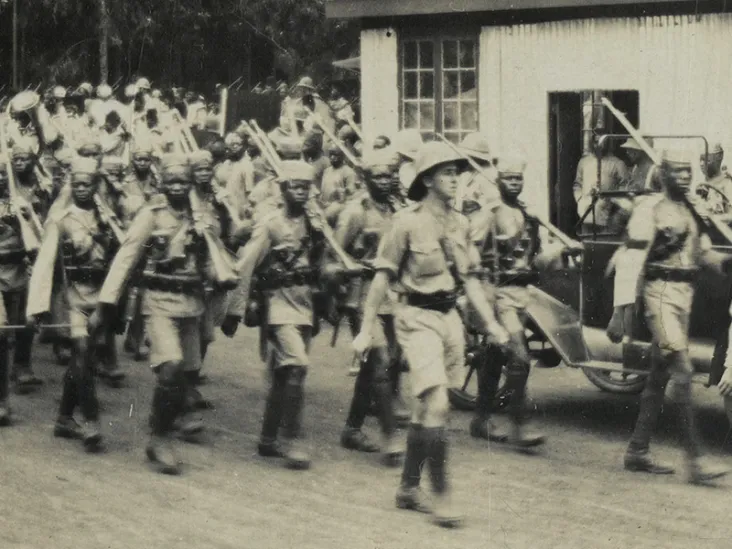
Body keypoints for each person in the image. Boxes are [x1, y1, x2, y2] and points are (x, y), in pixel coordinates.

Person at [352, 141, 509, 528]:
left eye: (457, 173)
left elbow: (470, 281)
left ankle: (408, 488)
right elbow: (381, 278)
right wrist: (364, 328)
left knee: (427, 409)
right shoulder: (406, 222)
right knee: (437, 403)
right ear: (427, 179)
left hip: (449, 321)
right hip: (415, 318)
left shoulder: (460, 224)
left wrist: (491, 325)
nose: (455, 180)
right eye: (447, 173)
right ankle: (442, 495)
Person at [89, 154, 212, 474]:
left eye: (183, 182)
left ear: (191, 184)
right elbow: (126, 257)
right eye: (171, 181)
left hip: (191, 303)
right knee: (170, 365)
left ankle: (169, 422)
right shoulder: (151, 215)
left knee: (187, 372)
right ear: (161, 183)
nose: (177, 187)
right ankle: (159, 438)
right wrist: (106, 304)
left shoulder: (201, 214)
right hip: (158, 301)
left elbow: (214, 258)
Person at [619, 149, 730, 484]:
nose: (684, 177)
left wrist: (728, 264)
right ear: (663, 172)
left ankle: (637, 450)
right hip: (659, 295)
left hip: (684, 297)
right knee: (682, 372)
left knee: (657, 376)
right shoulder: (649, 210)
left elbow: (706, 253)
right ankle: (696, 461)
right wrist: (620, 314)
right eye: (677, 171)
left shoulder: (693, 210)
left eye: (688, 171)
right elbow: (630, 263)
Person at [467, 156, 580, 448]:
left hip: (522, 294)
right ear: (499, 181)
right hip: (498, 294)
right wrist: (482, 294)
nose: (514, 184)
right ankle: (519, 426)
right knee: (519, 358)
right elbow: (470, 256)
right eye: (509, 179)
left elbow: (537, 261)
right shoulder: (489, 215)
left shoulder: (530, 218)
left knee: (493, 358)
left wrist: (561, 251)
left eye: (518, 179)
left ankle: (480, 420)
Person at [229, 160, 330, 471]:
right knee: (297, 365)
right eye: (295, 187)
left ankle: (268, 437)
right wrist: (237, 308)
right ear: (284, 190)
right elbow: (246, 265)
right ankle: (293, 439)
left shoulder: (315, 222)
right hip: (277, 304)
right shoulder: (270, 223)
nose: (301, 193)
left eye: (306, 187)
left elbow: (322, 263)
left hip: (305, 305)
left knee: (285, 374)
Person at [26, 156, 115, 452]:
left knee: (86, 360)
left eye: (87, 185)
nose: (81, 189)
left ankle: (64, 417)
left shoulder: (107, 218)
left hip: (100, 296)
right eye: (76, 184)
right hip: (73, 296)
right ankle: (91, 420)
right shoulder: (61, 221)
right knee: (81, 351)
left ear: (95, 186)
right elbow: (45, 263)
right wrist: (38, 307)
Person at [333, 150, 404, 466]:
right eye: (378, 176)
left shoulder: (396, 210)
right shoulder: (355, 212)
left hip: (392, 296)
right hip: (361, 295)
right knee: (378, 360)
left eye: (389, 175)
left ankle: (352, 428)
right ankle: (391, 437)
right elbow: (334, 254)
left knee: (383, 364)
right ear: (365, 179)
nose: (385, 181)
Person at [573, 132, 629, 230]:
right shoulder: (584, 162)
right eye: (596, 141)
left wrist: (613, 201)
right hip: (585, 211)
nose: (599, 145)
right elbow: (578, 184)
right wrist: (579, 200)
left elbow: (625, 186)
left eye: (602, 142)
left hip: (607, 213)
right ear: (592, 143)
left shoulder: (617, 163)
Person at [319, 143, 359, 224]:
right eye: (330, 155)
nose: (332, 157)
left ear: (342, 156)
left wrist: (342, 192)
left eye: (336, 155)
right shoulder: (327, 171)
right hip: (325, 208)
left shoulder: (348, 172)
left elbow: (351, 193)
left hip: (337, 211)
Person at [698, 143, 732, 220]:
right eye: (700, 159)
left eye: (706, 159)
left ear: (719, 157)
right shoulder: (703, 184)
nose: (701, 164)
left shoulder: (727, 183)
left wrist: (711, 217)